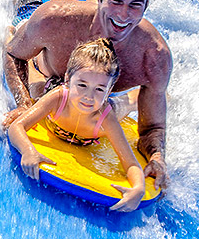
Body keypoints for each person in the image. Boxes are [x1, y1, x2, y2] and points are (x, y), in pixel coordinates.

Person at [3, 0, 172, 189]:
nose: (125, 15)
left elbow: (152, 129)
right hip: (46, 75)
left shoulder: (153, 57)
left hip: (93, 94)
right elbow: (13, 54)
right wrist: (24, 103)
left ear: (147, 4)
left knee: (106, 20)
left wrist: (157, 157)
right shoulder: (56, 19)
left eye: (135, 5)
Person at [8, 38, 145, 212]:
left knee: (125, 105)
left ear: (109, 90)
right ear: (67, 79)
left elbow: (131, 163)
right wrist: (28, 150)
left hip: (103, 110)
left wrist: (139, 188)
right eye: (82, 85)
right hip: (59, 94)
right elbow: (16, 127)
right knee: (36, 88)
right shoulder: (58, 97)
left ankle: (144, 93)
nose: (89, 96)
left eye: (100, 89)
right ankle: (14, 41)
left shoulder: (106, 119)